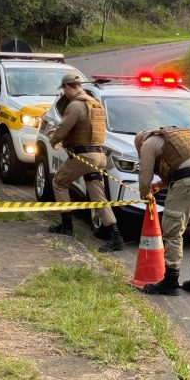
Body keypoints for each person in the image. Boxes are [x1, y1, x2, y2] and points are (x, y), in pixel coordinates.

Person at [135, 127, 190, 296]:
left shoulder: (147, 144)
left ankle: (171, 282)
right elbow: (187, 166)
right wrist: (162, 184)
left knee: (173, 231)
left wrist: (146, 195)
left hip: (189, 183)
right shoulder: (179, 137)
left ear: (140, 142)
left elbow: (145, 176)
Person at [46, 73, 124, 251]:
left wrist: (53, 138)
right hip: (99, 156)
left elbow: (63, 130)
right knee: (98, 195)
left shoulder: (75, 105)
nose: (64, 93)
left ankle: (66, 226)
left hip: (84, 157)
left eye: (64, 90)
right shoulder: (95, 104)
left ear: (67, 87)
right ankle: (114, 234)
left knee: (59, 181)